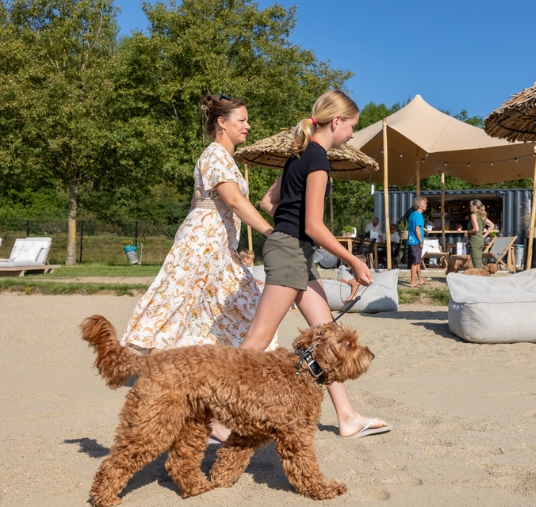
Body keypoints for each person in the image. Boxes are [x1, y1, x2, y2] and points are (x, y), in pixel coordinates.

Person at [119, 94, 276, 442]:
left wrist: (229, 243)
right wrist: (269, 231)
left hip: (216, 246)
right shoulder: (216, 155)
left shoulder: (221, 158)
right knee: (188, 315)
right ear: (222, 123)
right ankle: (175, 398)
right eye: (242, 120)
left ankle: (208, 407)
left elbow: (199, 202)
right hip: (203, 246)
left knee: (236, 310)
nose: (248, 125)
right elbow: (234, 200)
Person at [239, 90, 390, 439]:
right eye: (352, 127)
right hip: (291, 251)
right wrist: (352, 260)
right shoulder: (318, 159)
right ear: (336, 122)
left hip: (293, 251)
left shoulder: (296, 154)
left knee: (327, 335)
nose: (352, 134)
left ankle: (347, 416)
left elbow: (267, 201)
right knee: (256, 342)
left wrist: (286, 223)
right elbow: (314, 227)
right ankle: (215, 417)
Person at [464, 199, 495, 268]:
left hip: (474, 241)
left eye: (470, 206)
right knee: (478, 261)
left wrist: (468, 232)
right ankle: (480, 276)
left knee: (476, 263)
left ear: (475, 206)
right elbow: (492, 225)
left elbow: (476, 229)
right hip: (480, 241)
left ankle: (479, 277)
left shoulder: (473, 215)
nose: (469, 208)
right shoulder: (482, 215)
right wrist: (484, 236)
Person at [407, 196, 428, 287]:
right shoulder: (419, 215)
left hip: (412, 240)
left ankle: (420, 280)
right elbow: (417, 229)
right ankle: (412, 282)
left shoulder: (413, 214)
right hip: (416, 241)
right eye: (424, 203)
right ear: (419, 205)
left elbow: (415, 226)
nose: (426, 205)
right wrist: (421, 241)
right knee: (415, 263)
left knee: (418, 261)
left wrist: (424, 229)